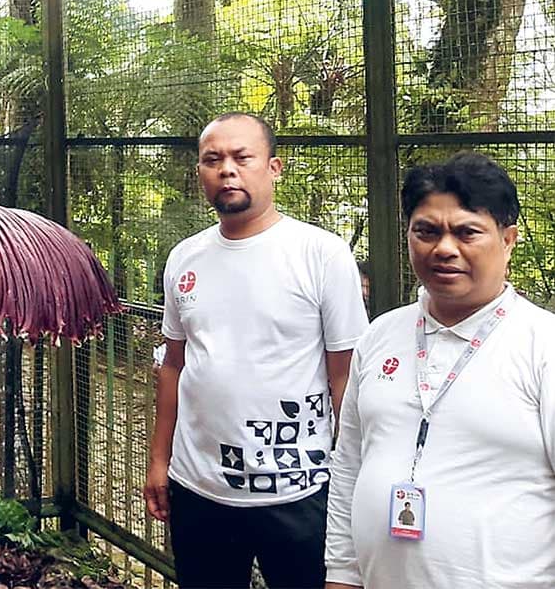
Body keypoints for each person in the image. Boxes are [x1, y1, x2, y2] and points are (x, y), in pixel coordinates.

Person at [143, 113, 368, 589]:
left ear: (273, 167)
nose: (227, 169)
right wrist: (159, 461)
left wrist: (353, 480)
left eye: (242, 157)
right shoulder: (185, 257)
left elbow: (345, 377)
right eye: (213, 160)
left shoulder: (321, 254)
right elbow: (174, 365)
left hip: (299, 490)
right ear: (200, 172)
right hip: (199, 487)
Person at [324, 152, 555, 589]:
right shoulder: (380, 336)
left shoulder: (543, 345)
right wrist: (341, 574)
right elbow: (349, 465)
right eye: (426, 232)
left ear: (508, 239)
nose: (444, 249)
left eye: (467, 232)